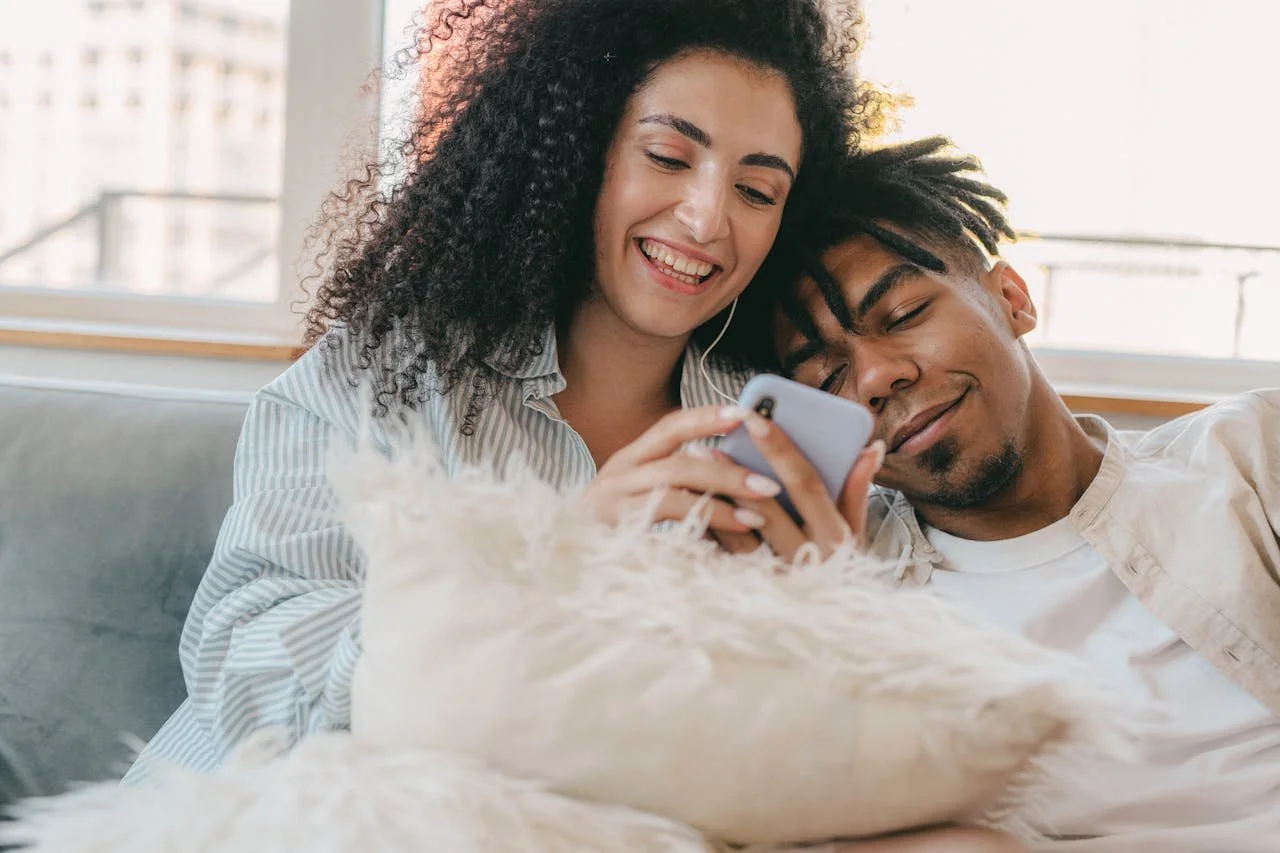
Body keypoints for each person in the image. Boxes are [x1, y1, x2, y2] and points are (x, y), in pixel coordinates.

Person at [123, 0, 869, 779]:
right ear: (582, 149)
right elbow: (249, 682)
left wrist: (824, 617)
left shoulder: (771, 441)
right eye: (667, 156)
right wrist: (552, 557)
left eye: (757, 192)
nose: (707, 217)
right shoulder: (379, 379)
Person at [717, 137, 1280, 850]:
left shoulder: (1251, 455)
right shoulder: (835, 596)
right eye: (826, 376)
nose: (876, 377)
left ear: (1011, 298)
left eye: (902, 314)